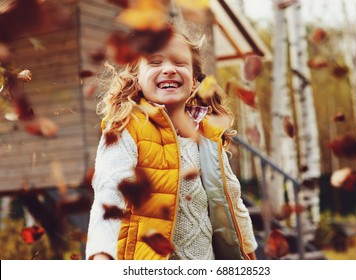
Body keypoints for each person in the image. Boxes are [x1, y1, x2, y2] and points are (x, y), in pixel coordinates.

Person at [85, 23, 258, 260]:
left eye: (179, 62)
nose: (168, 69)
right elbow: (109, 192)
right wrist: (101, 255)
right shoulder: (127, 127)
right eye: (155, 62)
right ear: (137, 79)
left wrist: (249, 257)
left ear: (195, 81)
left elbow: (233, 204)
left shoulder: (208, 134)